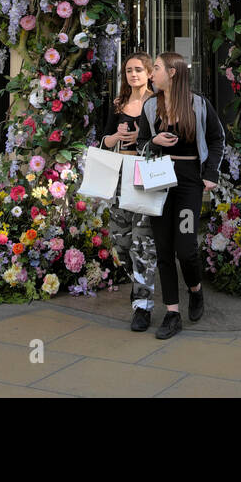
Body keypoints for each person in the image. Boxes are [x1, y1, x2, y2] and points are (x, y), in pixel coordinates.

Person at [137, 51, 226, 340]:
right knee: (163, 249)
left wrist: (210, 173)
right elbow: (140, 142)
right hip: (159, 182)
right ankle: (172, 313)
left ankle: (195, 289)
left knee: (186, 248)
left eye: (157, 68)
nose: (152, 74)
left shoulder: (199, 104)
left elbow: (216, 138)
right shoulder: (151, 106)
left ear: (173, 72)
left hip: (189, 183)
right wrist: (153, 140)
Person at [100, 52, 158, 332]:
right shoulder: (119, 104)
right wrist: (117, 137)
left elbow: (168, 138)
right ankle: (138, 285)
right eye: (128, 70)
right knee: (121, 242)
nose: (133, 74)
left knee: (143, 242)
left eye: (138, 70)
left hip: (145, 176)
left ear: (149, 73)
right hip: (120, 175)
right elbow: (105, 138)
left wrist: (141, 138)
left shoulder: (158, 103)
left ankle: (142, 306)